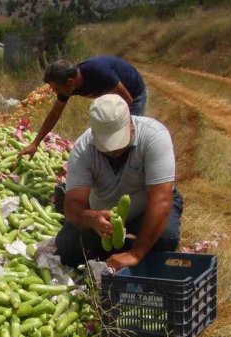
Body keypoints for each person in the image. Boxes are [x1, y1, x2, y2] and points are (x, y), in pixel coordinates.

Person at [56, 94, 183, 270]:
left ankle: (136, 253)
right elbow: (72, 205)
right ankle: (117, 256)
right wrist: (92, 218)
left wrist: (135, 253)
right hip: (104, 213)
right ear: (93, 133)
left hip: (145, 209)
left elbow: (160, 200)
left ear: (131, 125)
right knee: (66, 247)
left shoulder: (154, 136)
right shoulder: (83, 148)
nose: (114, 151)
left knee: (166, 237)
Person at [19, 56, 148, 159]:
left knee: (128, 140)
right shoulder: (68, 87)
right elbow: (54, 114)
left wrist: (122, 128)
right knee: (109, 141)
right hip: (111, 96)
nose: (56, 93)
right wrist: (35, 143)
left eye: (57, 89)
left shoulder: (98, 72)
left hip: (133, 94)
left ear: (70, 82)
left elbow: (127, 100)